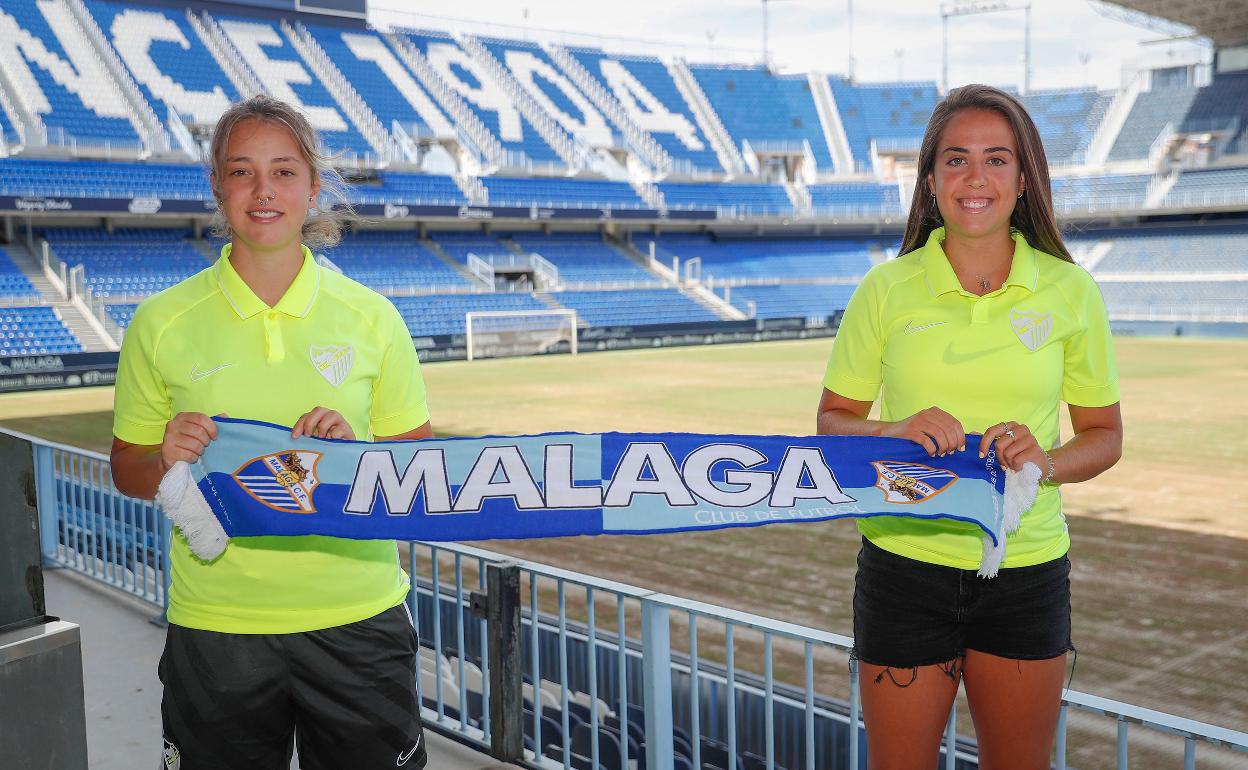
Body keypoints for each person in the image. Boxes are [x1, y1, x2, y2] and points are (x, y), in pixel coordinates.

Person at [110, 95, 432, 770]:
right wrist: (165, 458)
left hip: (359, 622)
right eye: (241, 171)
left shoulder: (374, 320)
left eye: (284, 172)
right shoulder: (161, 322)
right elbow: (127, 468)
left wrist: (354, 459)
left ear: (314, 187)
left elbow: (417, 474)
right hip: (218, 630)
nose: (263, 191)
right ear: (216, 186)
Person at [816, 84, 1123, 770]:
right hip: (903, 566)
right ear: (930, 180)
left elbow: (1105, 435)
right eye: (955, 160)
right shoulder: (885, 290)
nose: (975, 178)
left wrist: (1045, 459)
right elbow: (833, 425)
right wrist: (894, 428)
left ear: (1023, 179)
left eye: (996, 159)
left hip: (1026, 571)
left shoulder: (1071, 292)